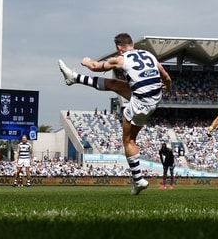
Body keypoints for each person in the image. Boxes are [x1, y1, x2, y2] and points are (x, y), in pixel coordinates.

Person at [58, 32, 171, 195]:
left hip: (141, 103)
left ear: (119, 48)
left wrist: (87, 61)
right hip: (153, 96)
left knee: (129, 140)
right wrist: (167, 88)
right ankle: (73, 78)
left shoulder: (121, 59)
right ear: (132, 45)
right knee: (114, 84)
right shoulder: (148, 55)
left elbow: (95, 67)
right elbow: (166, 77)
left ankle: (138, 181)